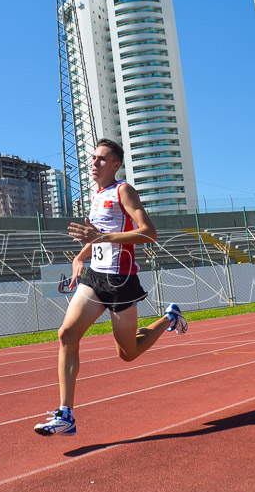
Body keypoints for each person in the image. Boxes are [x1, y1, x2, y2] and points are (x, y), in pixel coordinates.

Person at [34, 138, 187, 436]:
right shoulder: (96, 195)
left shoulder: (123, 191)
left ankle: (170, 317)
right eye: (93, 158)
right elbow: (95, 240)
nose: (94, 163)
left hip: (121, 281)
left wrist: (102, 236)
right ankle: (65, 415)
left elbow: (149, 234)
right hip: (95, 277)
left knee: (127, 353)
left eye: (102, 159)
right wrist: (80, 257)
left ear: (115, 165)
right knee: (66, 334)